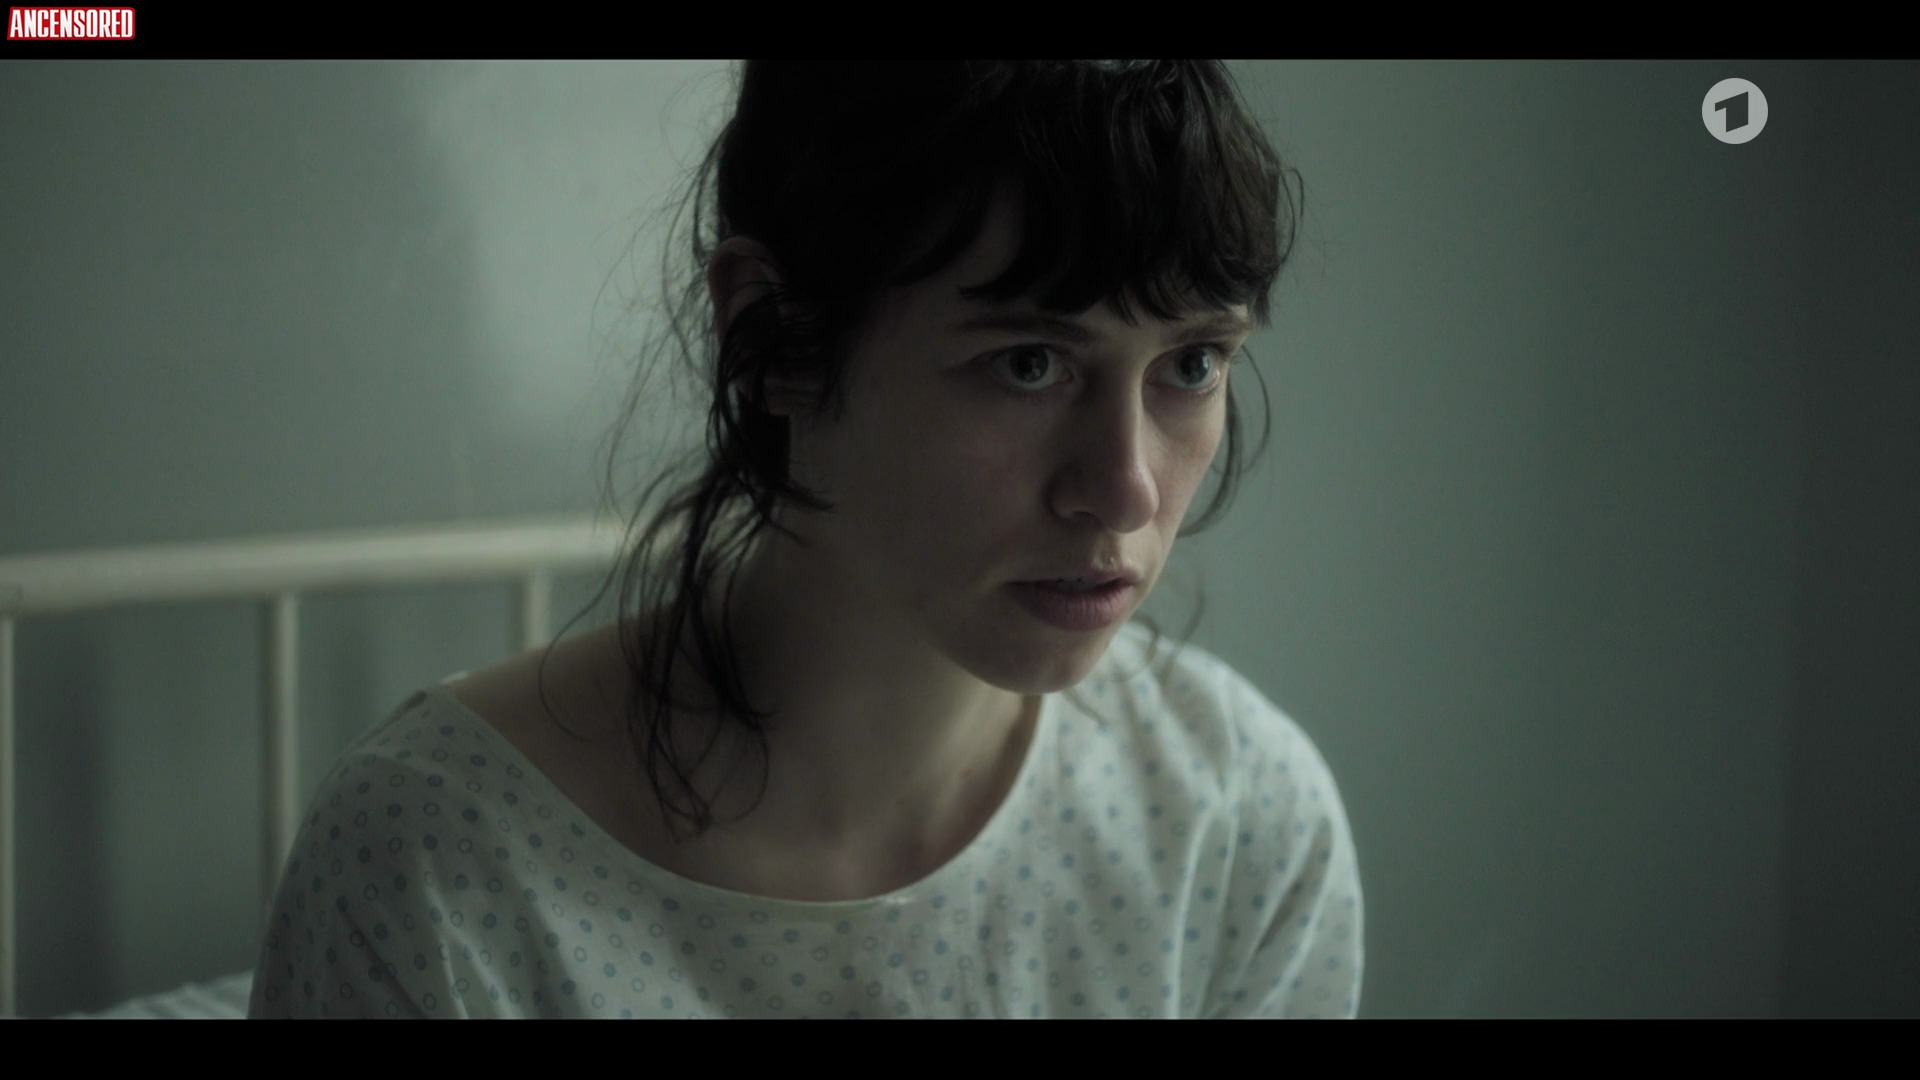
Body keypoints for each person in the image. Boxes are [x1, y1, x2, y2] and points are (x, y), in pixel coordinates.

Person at [248, 59, 1362, 1019]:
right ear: (773, 335)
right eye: (1029, 364)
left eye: (1192, 364)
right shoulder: (435, 866)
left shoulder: (1235, 824)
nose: (1123, 490)